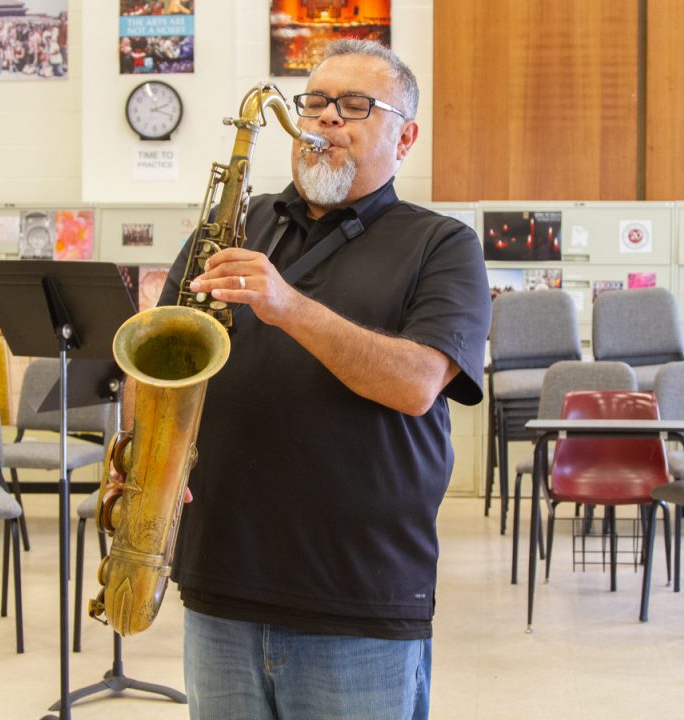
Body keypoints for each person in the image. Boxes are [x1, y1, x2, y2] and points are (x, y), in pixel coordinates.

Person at [112, 39, 489, 720]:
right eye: (313, 103)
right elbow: (156, 361)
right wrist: (143, 457)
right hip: (220, 586)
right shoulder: (232, 227)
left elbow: (417, 384)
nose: (323, 121)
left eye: (353, 107)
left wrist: (286, 306)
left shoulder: (442, 246)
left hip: (356, 597)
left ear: (405, 136)